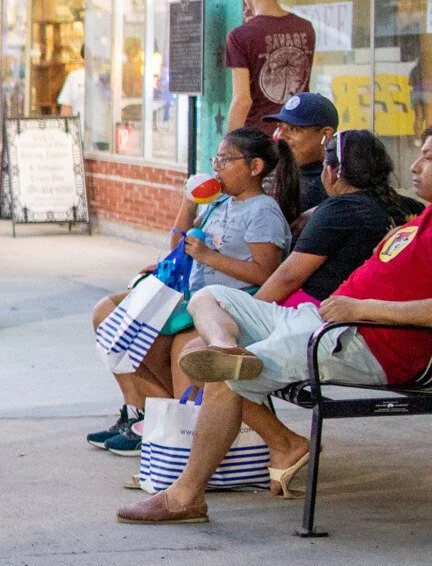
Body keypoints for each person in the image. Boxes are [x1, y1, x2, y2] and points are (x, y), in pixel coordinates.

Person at [120, 130, 432, 521]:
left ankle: (185, 498)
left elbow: (283, 276)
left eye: (427, 158)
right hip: (324, 321)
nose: (415, 166)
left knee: (219, 374)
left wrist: (362, 308)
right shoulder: (416, 215)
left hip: (362, 339)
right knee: (210, 298)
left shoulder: (355, 210)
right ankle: (225, 347)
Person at [85, 127, 299, 455]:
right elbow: (177, 247)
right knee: (114, 321)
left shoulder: (262, 211)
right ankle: (144, 416)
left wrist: (210, 257)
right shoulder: (220, 203)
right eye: (217, 159)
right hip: (190, 297)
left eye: (226, 161)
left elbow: (266, 272)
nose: (217, 167)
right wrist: (189, 202)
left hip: (226, 307)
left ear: (255, 167)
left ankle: (169, 432)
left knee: (180, 350)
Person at [255, 129, 414, 306]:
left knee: (219, 296)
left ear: (332, 171)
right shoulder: (408, 206)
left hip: (318, 310)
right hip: (368, 309)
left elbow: (288, 277)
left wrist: (250, 310)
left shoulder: (341, 208)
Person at [225, 0, 315, 133]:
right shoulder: (306, 28)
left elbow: (242, 100)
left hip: (260, 139)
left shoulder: (240, 36)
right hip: (298, 134)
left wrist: (229, 149)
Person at [262, 90, 338, 214]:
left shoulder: (335, 182)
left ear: (326, 134)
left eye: (293, 129)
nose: (280, 136)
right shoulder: (267, 170)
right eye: (279, 127)